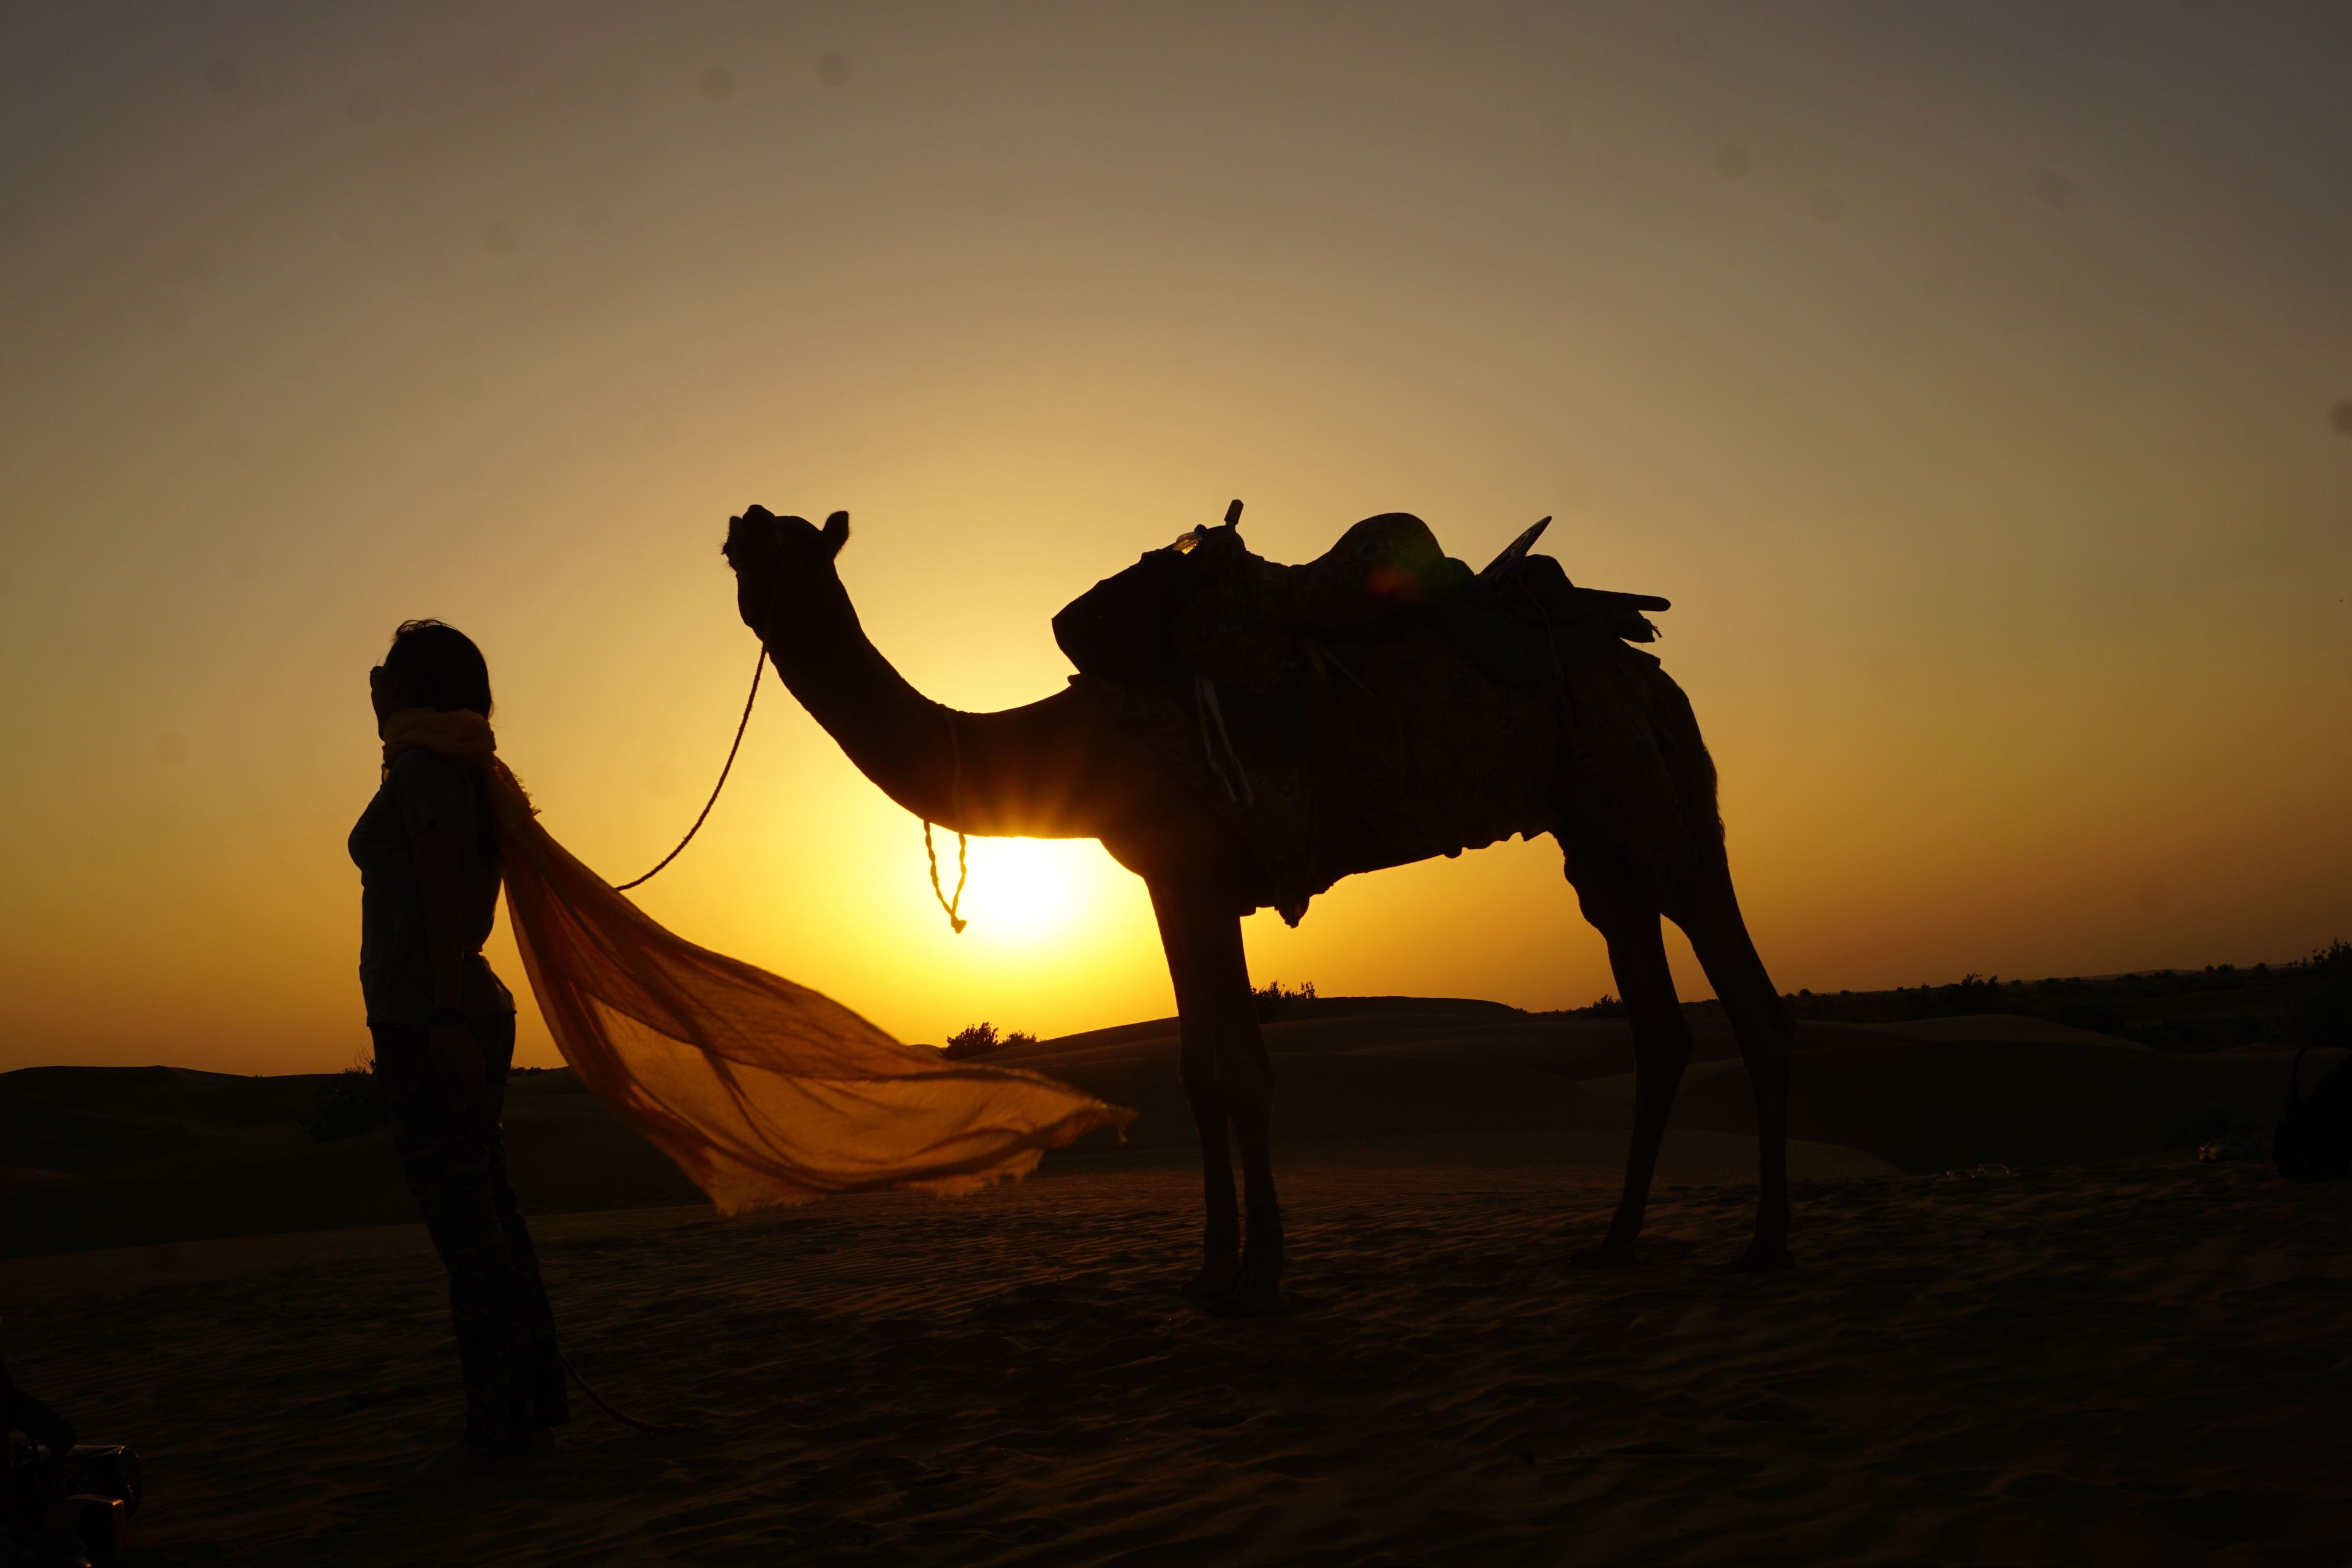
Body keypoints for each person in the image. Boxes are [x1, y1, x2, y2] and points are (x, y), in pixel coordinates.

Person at [350, 620, 565, 1471]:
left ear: (406, 688)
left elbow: (443, 899)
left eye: (383, 675)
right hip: (456, 1010)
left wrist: (441, 1017)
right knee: (490, 1216)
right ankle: (528, 1410)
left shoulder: (425, 770)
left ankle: (505, 1426)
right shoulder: (465, 766)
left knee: (468, 1230)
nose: (372, 687)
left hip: (434, 1018)